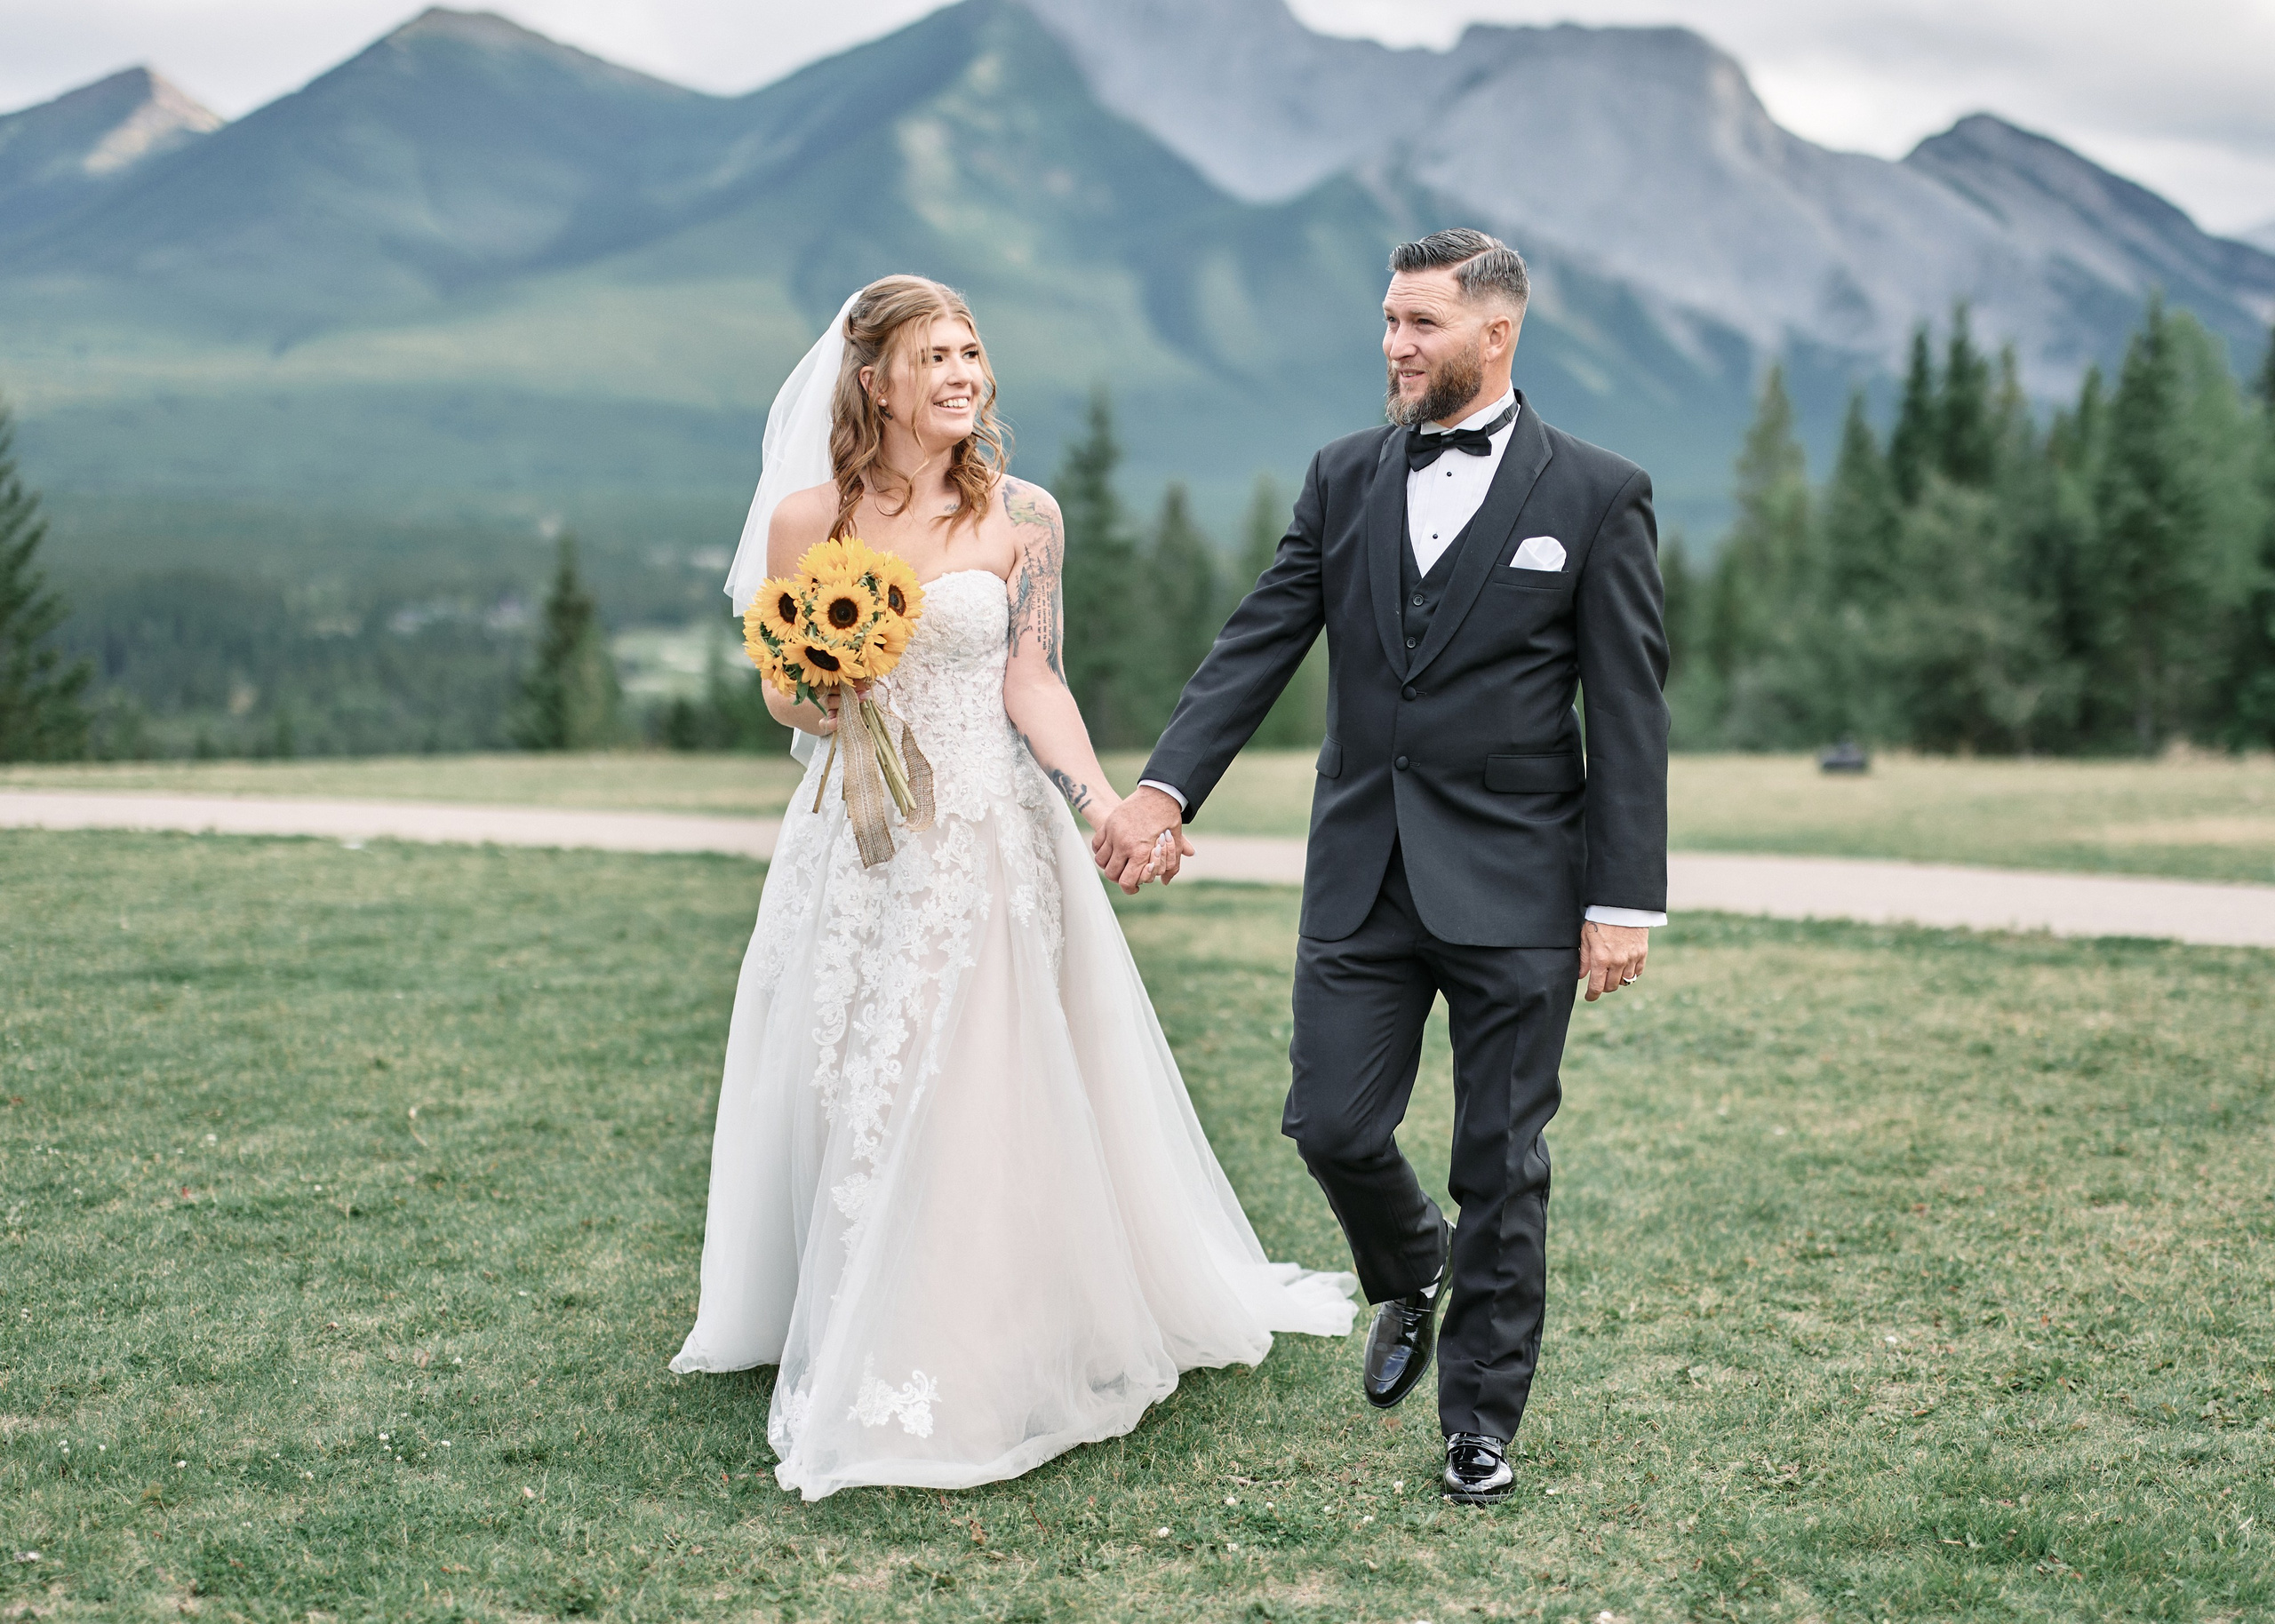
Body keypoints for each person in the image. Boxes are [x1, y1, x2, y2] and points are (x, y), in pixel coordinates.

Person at [670, 275, 1356, 1501]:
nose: (960, 375)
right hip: (860, 837)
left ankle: (981, 1313)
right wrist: (820, 685)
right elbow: (779, 690)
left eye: (972, 351)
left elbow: (1032, 678)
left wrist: (1100, 802)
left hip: (990, 831)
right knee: (853, 1060)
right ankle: (844, 1290)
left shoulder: (1022, 516)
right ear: (871, 377)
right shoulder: (807, 518)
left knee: (978, 1067)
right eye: (931, 355)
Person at [1095, 229, 1670, 1505]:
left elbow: (1628, 710)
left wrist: (1622, 898)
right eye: (1391, 322)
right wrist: (1163, 785)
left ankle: (1480, 1425)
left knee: (1501, 1160)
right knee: (1331, 1123)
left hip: (1522, 881)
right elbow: (1260, 639)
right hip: (1361, 869)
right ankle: (1410, 1265)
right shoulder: (1343, 475)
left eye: (1421, 325)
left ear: (1495, 334)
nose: (1396, 347)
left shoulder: (1596, 493)